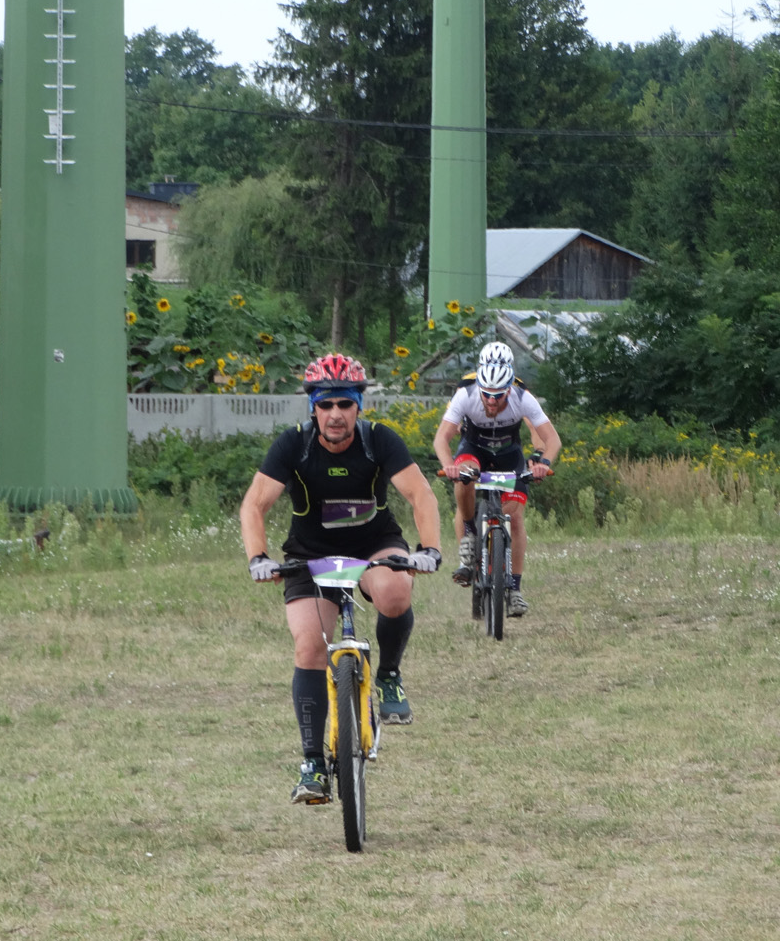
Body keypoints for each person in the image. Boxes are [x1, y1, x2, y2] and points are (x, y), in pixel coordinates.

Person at [240, 352, 442, 805]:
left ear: (358, 406)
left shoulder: (378, 441)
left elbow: (420, 495)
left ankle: (388, 674)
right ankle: (313, 763)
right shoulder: (293, 444)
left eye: (345, 404)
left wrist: (429, 549)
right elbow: (255, 504)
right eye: (326, 404)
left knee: (394, 590)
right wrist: (259, 557)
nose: (336, 414)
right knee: (310, 647)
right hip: (310, 555)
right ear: (313, 406)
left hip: (374, 546)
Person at [433, 340, 561, 618]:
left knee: (514, 518)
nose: (492, 401)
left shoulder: (522, 396)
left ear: (509, 389)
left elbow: (552, 439)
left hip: (508, 453)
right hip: (474, 449)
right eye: (487, 394)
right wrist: (448, 466)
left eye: (499, 395)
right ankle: (468, 533)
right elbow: (441, 438)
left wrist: (542, 462)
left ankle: (514, 589)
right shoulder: (465, 394)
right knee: (463, 474)